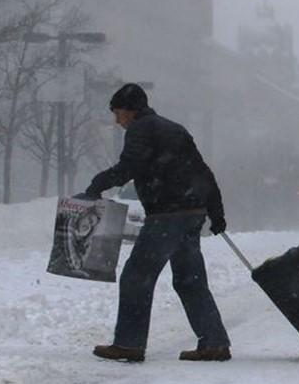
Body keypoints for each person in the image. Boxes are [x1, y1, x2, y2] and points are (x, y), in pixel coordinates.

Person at [78, 83, 230, 363]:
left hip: (167, 215)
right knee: (189, 280)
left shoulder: (141, 129)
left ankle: (129, 344)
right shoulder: (174, 129)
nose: (117, 121)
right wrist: (215, 211)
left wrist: (98, 184)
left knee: (137, 276)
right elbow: (202, 172)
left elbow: (129, 166)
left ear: (129, 110)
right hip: (191, 212)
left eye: (118, 113)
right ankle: (214, 342)